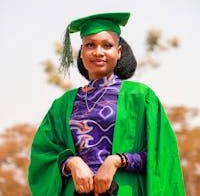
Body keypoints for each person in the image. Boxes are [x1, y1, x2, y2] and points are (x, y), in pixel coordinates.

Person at [28, 12, 185, 196]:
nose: (98, 52)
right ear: (81, 53)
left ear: (118, 52)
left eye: (107, 45)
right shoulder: (63, 104)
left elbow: (163, 156)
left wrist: (118, 160)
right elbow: (42, 155)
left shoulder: (141, 97)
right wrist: (71, 162)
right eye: (90, 45)